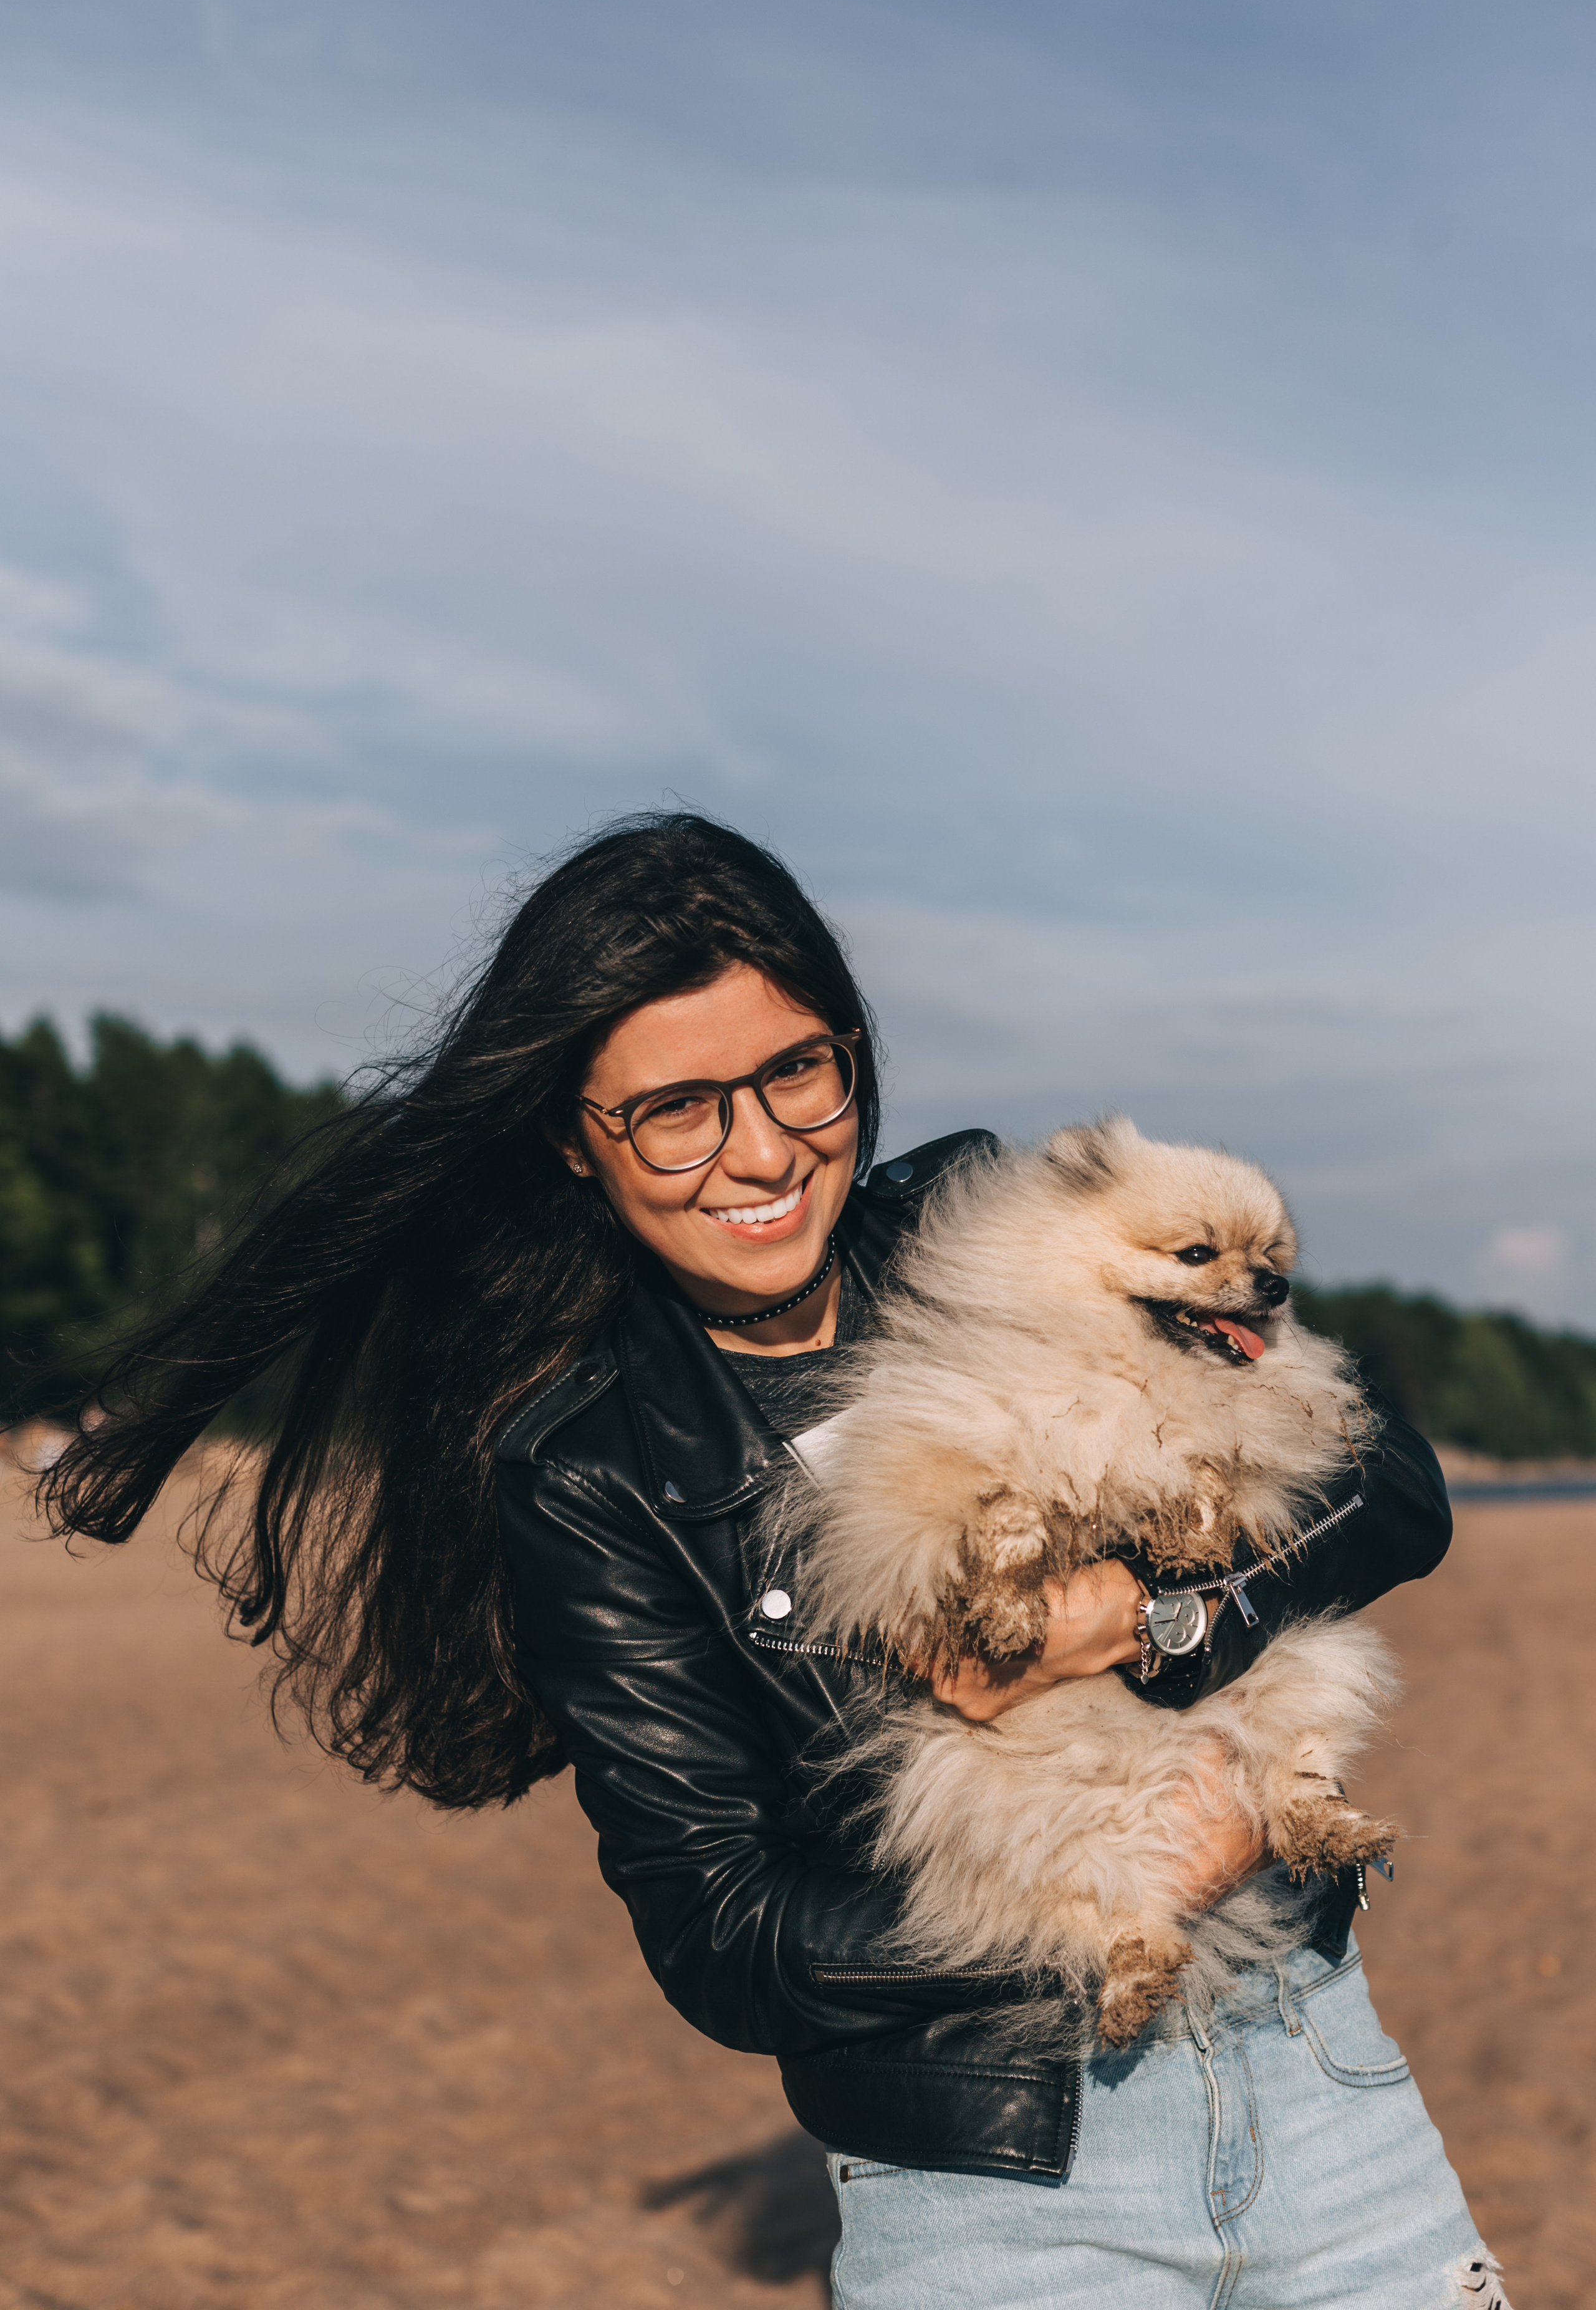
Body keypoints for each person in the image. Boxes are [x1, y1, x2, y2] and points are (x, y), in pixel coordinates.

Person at [40, 813, 1506, 2309]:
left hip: (1322, 2087)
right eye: (673, 1108)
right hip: (1006, 2191)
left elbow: (1383, 1486)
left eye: (794, 1071)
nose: (758, 1152)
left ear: (849, 1056)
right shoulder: (590, 1472)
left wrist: (1150, 1625)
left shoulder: (981, 1224)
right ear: (572, 1136)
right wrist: (1115, 1888)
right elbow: (727, 1937)